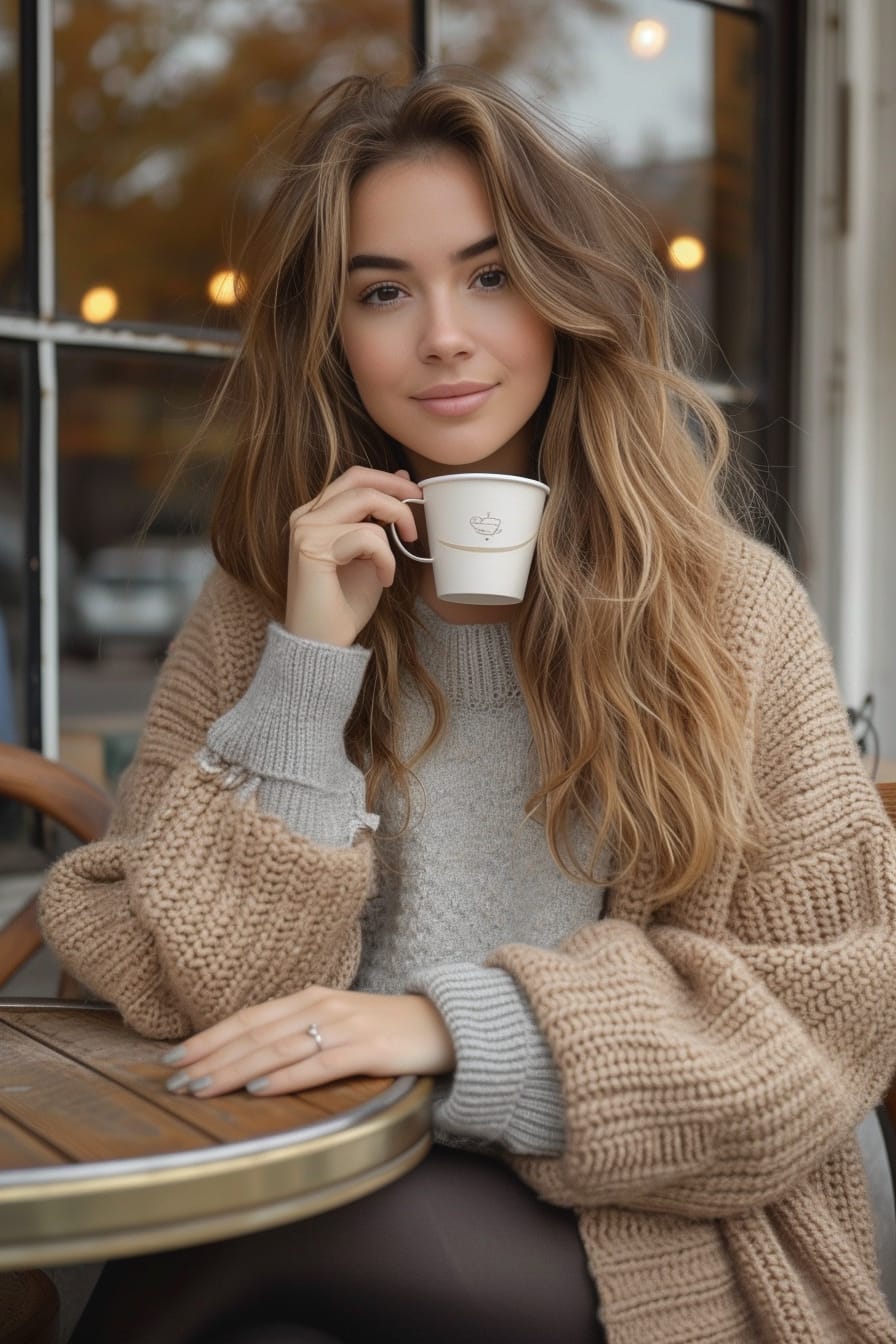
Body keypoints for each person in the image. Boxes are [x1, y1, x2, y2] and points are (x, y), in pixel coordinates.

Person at [41, 66, 896, 1344]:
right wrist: (306, 668)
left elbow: (813, 1020)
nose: (441, 333)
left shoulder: (725, 611)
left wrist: (440, 1026)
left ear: (565, 302)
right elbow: (208, 993)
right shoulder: (266, 604)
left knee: (235, 1251)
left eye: (489, 276)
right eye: (383, 291)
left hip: (667, 1216)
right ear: (334, 338)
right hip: (350, 1189)